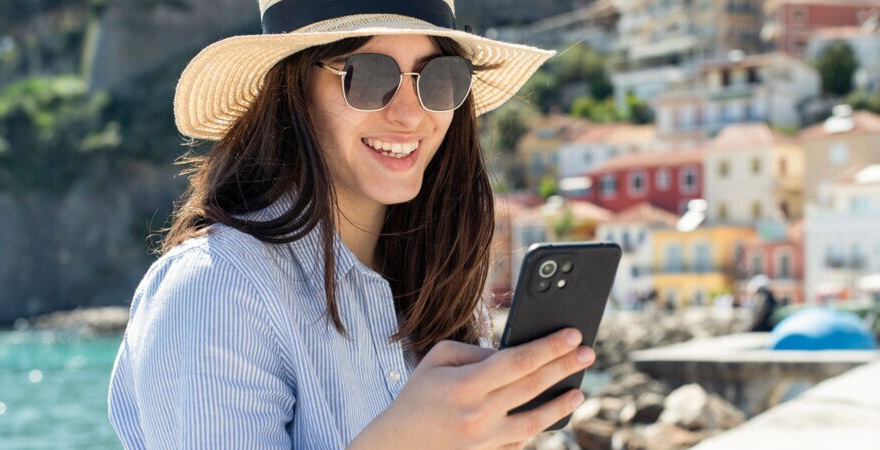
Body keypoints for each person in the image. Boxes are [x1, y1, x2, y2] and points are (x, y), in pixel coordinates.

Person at [105, 2, 587, 448]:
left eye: (438, 77)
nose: (408, 113)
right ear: (291, 92)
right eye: (367, 75)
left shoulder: (442, 294)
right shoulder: (217, 287)